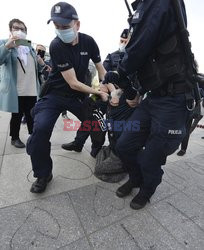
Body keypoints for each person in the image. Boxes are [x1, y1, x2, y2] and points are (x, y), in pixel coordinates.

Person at [103, 0, 192, 209]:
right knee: (125, 145)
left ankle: (147, 189)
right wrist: (136, 89)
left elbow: (140, 46)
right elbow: (152, 59)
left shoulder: (158, 2)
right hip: (153, 97)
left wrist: (120, 72)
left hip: (174, 98)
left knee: (151, 157)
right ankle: (135, 178)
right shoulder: (144, 6)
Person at [26, 2, 108, 193]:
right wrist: (99, 92)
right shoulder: (56, 45)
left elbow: (101, 70)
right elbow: (72, 82)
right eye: (57, 26)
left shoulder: (89, 42)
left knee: (97, 123)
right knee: (40, 130)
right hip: (55, 94)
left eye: (65, 26)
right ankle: (43, 173)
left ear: (77, 25)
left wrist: (110, 86)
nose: (61, 30)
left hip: (78, 97)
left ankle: (96, 146)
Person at [0, 18, 42, 148]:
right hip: (16, 88)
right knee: (17, 115)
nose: (20, 31)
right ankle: (15, 137)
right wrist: (7, 46)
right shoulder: (4, 43)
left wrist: (41, 64)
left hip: (31, 87)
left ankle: (33, 135)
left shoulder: (30, 48)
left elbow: (35, 68)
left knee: (32, 114)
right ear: (10, 30)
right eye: (16, 28)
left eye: (23, 29)